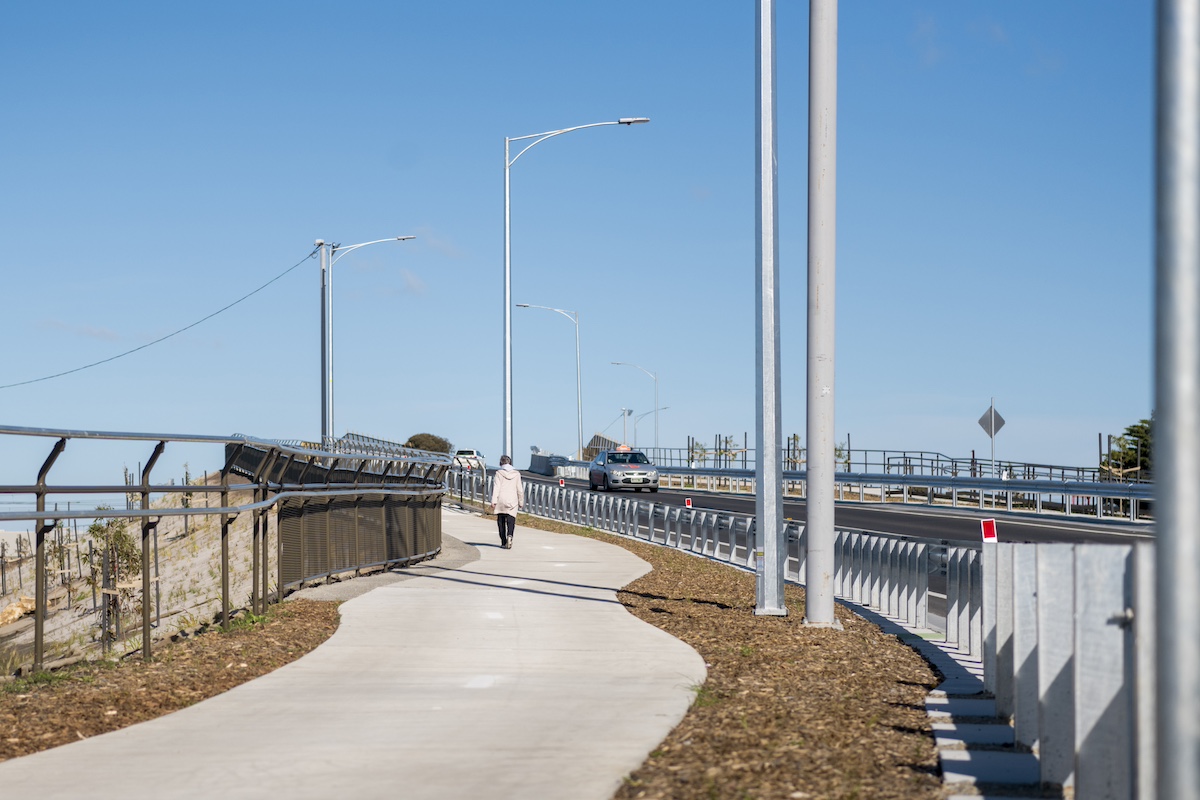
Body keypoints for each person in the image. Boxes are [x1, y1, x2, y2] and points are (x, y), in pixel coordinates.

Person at [489, 455, 524, 548]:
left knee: (501, 521)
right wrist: (521, 502)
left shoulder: (499, 473)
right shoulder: (517, 474)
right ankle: (510, 535)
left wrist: (493, 501)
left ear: (501, 463)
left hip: (501, 499)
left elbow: (496, 487)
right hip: (513, 500)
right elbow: (519, 489)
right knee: (511, 520)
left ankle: (503, 541)